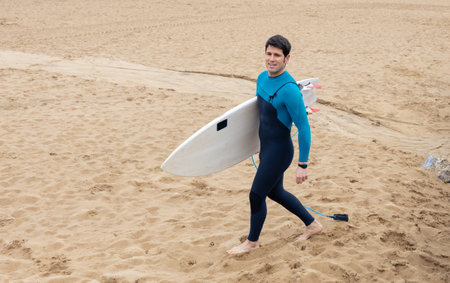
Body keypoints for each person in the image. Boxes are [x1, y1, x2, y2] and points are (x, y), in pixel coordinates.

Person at [227, 35, 323, 255]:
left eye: (277, 55)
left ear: (286, 58)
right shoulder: (262, 78)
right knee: (276, 192)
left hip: (279, 151)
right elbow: (258, 116)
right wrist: (254, 144)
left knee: (256, 194)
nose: (272, 59)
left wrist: (303, 164)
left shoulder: (290, 90)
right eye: (268, 53)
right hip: (266, 147)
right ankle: (313, 225)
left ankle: (252, 242)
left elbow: (304, 127)